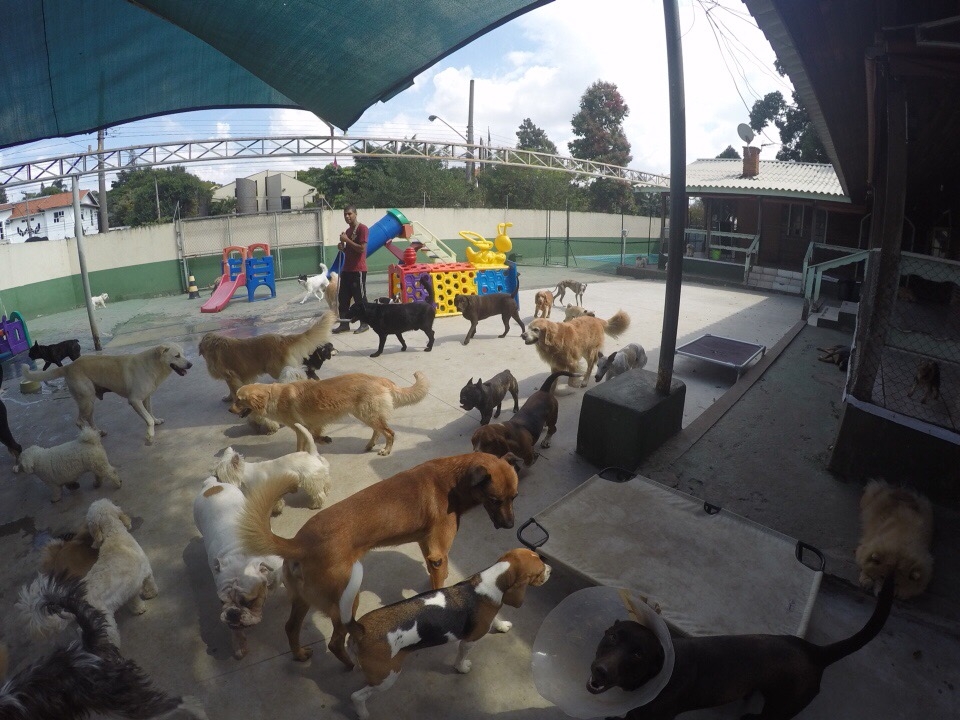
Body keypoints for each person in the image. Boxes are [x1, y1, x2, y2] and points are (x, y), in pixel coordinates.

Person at [333, 205, 370, 334]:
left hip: (358, 270)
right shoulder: (348, 231)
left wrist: (346, 240)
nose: (347, 216)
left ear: (355, 214)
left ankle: (364, 323)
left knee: (360, 298)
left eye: (349, 214)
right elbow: (349, 250)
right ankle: (344, 324)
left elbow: (361, 249)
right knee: (343, 297)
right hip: (347, 269)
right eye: (345, 214)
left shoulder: (362, 229)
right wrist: (342, 247)